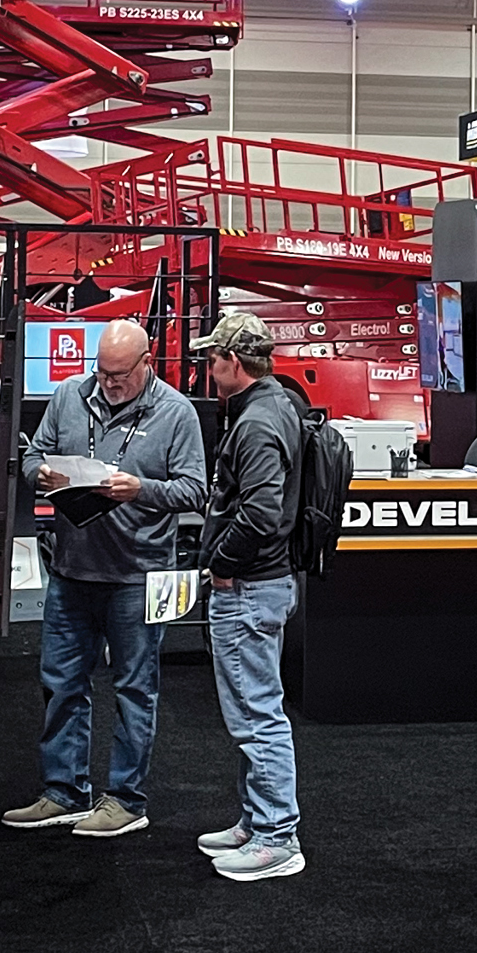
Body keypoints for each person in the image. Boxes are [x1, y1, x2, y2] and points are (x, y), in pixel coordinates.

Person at [3, 319, 208, 838]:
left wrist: (140, 490)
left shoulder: (176, 413)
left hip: (138, 574)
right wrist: (40, 474)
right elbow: (31, 456)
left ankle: (125, 800)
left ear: (147, 363)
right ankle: (64, 791)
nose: (109, 384)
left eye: (119, 376)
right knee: (60, 683)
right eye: (102, 373)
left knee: (134, 688)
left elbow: (193, 491)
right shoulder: (70, 395)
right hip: (72, 569)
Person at [190, 312, 308, 881]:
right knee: (252, 710)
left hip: (251, 585)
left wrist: (223, 564)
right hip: (263, 584)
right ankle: (257, 819)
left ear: (233, 363)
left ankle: (276, 837)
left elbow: (261, 514)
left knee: (257, 716)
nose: (208, 370)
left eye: (212, 360)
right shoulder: (277, 406)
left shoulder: (258, 423)